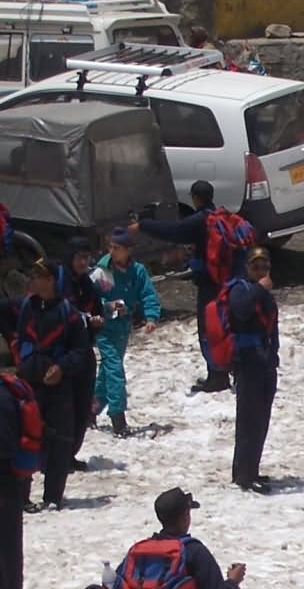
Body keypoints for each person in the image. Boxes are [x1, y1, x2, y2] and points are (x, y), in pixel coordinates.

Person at [128, 179, 236, 393]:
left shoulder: (199, 222)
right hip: (228, 281)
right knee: (226, 326)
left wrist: (143, 225)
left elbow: (173, 231)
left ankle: (217, 376)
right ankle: (230, 367)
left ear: (195, 198)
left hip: (209, 284)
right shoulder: (222, 217)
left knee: (208, 329)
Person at [13, 260, 91, 513]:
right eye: (32, 275)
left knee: (59, 441)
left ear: (51, 281)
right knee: (27, 437)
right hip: (32, 383)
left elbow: (81, 351)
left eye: (38, 276)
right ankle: (22, 494)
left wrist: (61, 368)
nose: (33, 280)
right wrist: (26, 364)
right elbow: (22, 339)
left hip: (59, 386)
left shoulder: (68, 313)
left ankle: (53, 496)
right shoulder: (27, 306)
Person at [94, 227, 161, 438]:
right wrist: (107, 306)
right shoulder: (102, 271)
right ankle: (118, 418)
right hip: (104, 328)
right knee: (115, 371)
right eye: (111, 247)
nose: (113, 252)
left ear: (128, 250)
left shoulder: (138, 271)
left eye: (117, 248)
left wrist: (151, 317)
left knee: (106, 373)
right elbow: (89, 298)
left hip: (123, 328)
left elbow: (148, 294)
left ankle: (90, 410)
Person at [229, 247, 279, 494]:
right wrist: (260, 288)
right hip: (248, 363)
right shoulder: (240, 289)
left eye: (265, 267)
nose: (260, 272)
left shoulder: (263, 293)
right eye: (255, 267)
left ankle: (251, 468)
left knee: (261, 420)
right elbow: (240, 311)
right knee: (249, 420)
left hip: (265, 362)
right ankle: (244, 474)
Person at [57, 240, 104, 468]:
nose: (84, 262)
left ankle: (70, 454)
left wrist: (101, 315)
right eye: (79, 258)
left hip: (84, 349)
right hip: (64, 354)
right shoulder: (60, 280)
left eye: (86, 258)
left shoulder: (86, 282)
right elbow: (63, 311)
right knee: (65, 408)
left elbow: (96, 307)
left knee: (83, 405)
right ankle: (58, 457)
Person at [0, 340, 31, 589]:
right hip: (11, 478)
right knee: (9, 544)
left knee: (8, 545)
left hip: (5, 478)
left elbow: (6, 443)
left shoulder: (4, 396)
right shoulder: (8, 391)